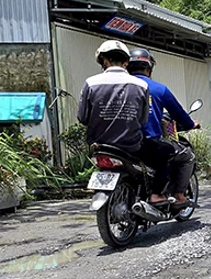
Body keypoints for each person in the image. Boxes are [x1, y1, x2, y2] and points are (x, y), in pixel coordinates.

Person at [78, 41, 176, 206]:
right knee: (167, 150)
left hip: (99, 146)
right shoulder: (141, 85)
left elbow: (82, 117)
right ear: (126, 63)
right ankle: (157, 195)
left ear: (104, 61)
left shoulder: (90, 83)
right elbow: (143, 120)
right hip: (132, 147)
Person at [127, 48, 200, 209]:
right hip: (146, 144)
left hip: (116, 142)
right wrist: (190, 124)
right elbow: (179, 113)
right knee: (185, 155)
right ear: (148, 68)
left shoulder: (117, 88)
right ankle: (176, 195)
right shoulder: (158, 89)